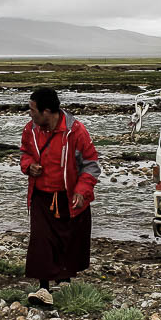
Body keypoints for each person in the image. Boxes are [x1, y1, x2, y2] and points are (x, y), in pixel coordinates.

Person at [19, 87, 100, 306]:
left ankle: (65, 278)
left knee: (69, 239)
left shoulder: (76, 132)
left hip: (69, 196)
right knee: (41, 240)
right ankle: (44, 288)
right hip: (41, 196)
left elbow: (91, 164)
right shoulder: (31, 130)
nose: (30, 113)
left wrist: (82, 191)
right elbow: (25, 153)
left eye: (33, 109)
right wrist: (28, 166)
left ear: (47, 111)